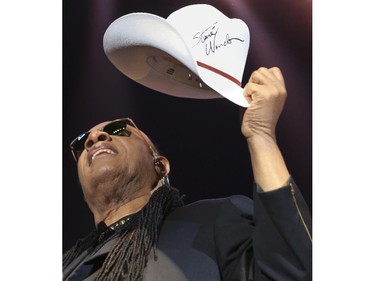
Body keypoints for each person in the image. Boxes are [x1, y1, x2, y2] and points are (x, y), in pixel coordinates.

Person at [63, 67, 312, 281]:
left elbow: (291, 271)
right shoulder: (66, 265)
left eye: (118, 128)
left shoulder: (212, 219)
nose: (94, 137)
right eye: (81, 142)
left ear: (160, 165)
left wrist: (261, 134)